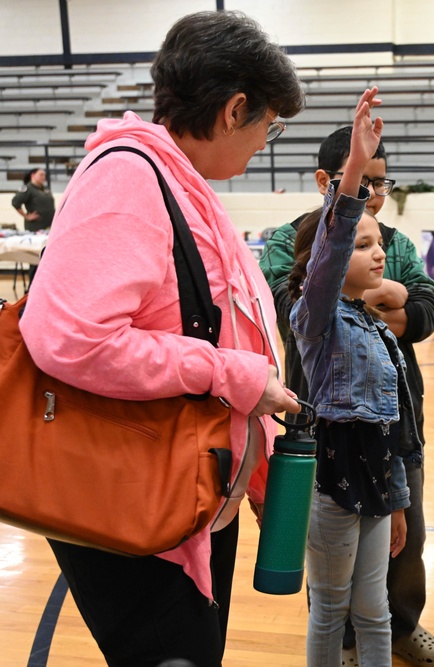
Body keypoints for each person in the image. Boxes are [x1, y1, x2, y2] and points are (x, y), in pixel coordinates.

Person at [18, 11, 304, 666]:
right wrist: (226, 373)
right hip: (137, 502)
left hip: (188, 494)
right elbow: (66, 337)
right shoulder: (129, 178)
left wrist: (254, 467)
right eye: (270, 124)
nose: (268, 140)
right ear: (236, 110)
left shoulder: (178, 181)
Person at [258, 128, 434, 666]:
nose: (378, 252)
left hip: (387, 446)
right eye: (359, 183)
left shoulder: (392, 247)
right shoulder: (299, 244)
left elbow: (425, 305)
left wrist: (399, 301)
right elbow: (292, 295)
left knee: (393, 569)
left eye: (379, 183)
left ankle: (400, 629)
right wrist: (355, 281)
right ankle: (339, 643)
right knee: (333, 594)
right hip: (327, 446)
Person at [289, 88, 405, 666]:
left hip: (378, 478)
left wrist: (399, 499)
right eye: (364, 245)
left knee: (376, 610)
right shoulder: (317, 320)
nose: (378, 253)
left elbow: (392, 425)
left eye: (378, 242)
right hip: (333, 477)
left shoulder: (375, 328)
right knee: (330, 609)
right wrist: (356, 169)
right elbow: (331, 251)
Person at [11, 168, 55, 232]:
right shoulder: (27, 188)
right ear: (33, 175)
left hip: (49, 225)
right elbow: (15, 202)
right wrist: (26, 216)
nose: (43, 177)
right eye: (41, 175)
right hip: (36, 226)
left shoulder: (45, 188)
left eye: (44, 175)